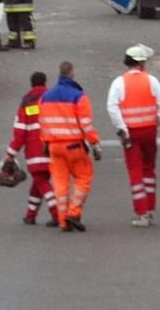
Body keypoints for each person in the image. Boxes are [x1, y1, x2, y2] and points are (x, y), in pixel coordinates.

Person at [105, 44, 160, 227]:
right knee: (149, 169)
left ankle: (141, 213)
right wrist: (155, 121)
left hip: (130, 133)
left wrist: (122, 128)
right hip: (149, 130)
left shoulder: (119, 83)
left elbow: (112, 108)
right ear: (141, 63)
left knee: (135, 171)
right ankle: (149, 208)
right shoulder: (152, 81)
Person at [39, 60, 101, 232]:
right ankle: (73, 213)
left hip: (53, 147)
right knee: (83, 178)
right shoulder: (79, 96)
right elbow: (86, 125)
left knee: (60, 184)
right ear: (72, 73)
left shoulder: (45, 97)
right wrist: (95, 143)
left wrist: (45, 144)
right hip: (74, 146)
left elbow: (42, 123)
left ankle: (63, 221)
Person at [4, 70, 55, 226]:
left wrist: (10, 154)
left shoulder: (27, 102)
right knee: (40, 182)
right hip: (54, 147)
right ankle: (30, 214)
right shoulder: (52, 99)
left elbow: (20, 132)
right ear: (45, 83)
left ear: (31, 84)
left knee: (41, 181)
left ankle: (58, 212)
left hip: (35, 151)